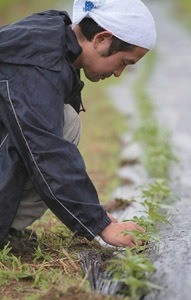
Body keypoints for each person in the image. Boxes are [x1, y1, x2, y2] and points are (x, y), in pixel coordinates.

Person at [0, 0, 156, 251]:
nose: (118, 73)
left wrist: (100, 218)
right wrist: (101, 225)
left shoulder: (55, 35)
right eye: (124, 62)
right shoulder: (40, 63)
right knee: (61, 127)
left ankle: (8, 228)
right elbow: (45, 151)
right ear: (102, 39)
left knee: (65, 121)